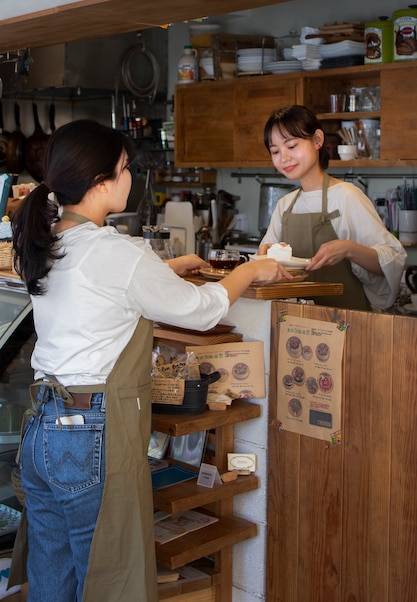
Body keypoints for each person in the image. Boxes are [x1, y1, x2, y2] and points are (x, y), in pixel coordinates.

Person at [9, 119, 291, 602]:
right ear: (100, 182)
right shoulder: (116, 252)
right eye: (123, 169)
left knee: (53, 580)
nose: (129, 179)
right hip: (89, 432)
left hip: (42, 429)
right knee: (107, 577)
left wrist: (163, 270)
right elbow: (202, 312)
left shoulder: (49, 238)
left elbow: (95, 288)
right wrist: (252, 269)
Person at [259, 104, 406, 311]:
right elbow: (264, 260)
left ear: (317, 140)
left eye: (292, 146)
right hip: (296, 322)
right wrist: (265, 256)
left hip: (348, 322)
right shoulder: (285, 205)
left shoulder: (347, 196)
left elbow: (392, 260)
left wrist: (349, 249)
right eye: (275, 151)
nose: (283, 158)